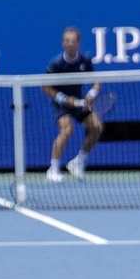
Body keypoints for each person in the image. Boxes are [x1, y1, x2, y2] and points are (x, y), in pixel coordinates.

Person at [42, 27, 103, 183]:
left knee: (96, 127)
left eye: (72, 41)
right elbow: (45, 87)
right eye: (67, 41)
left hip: (79, 101)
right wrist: (63, 98)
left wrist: (90, 95)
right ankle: (53, 168)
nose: (69, 44)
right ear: (63, 43)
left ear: (78, 43)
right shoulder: (56, 64)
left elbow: (96, 82)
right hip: (60, 103)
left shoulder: (84, 60)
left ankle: (78, 161)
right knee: (67, 129)